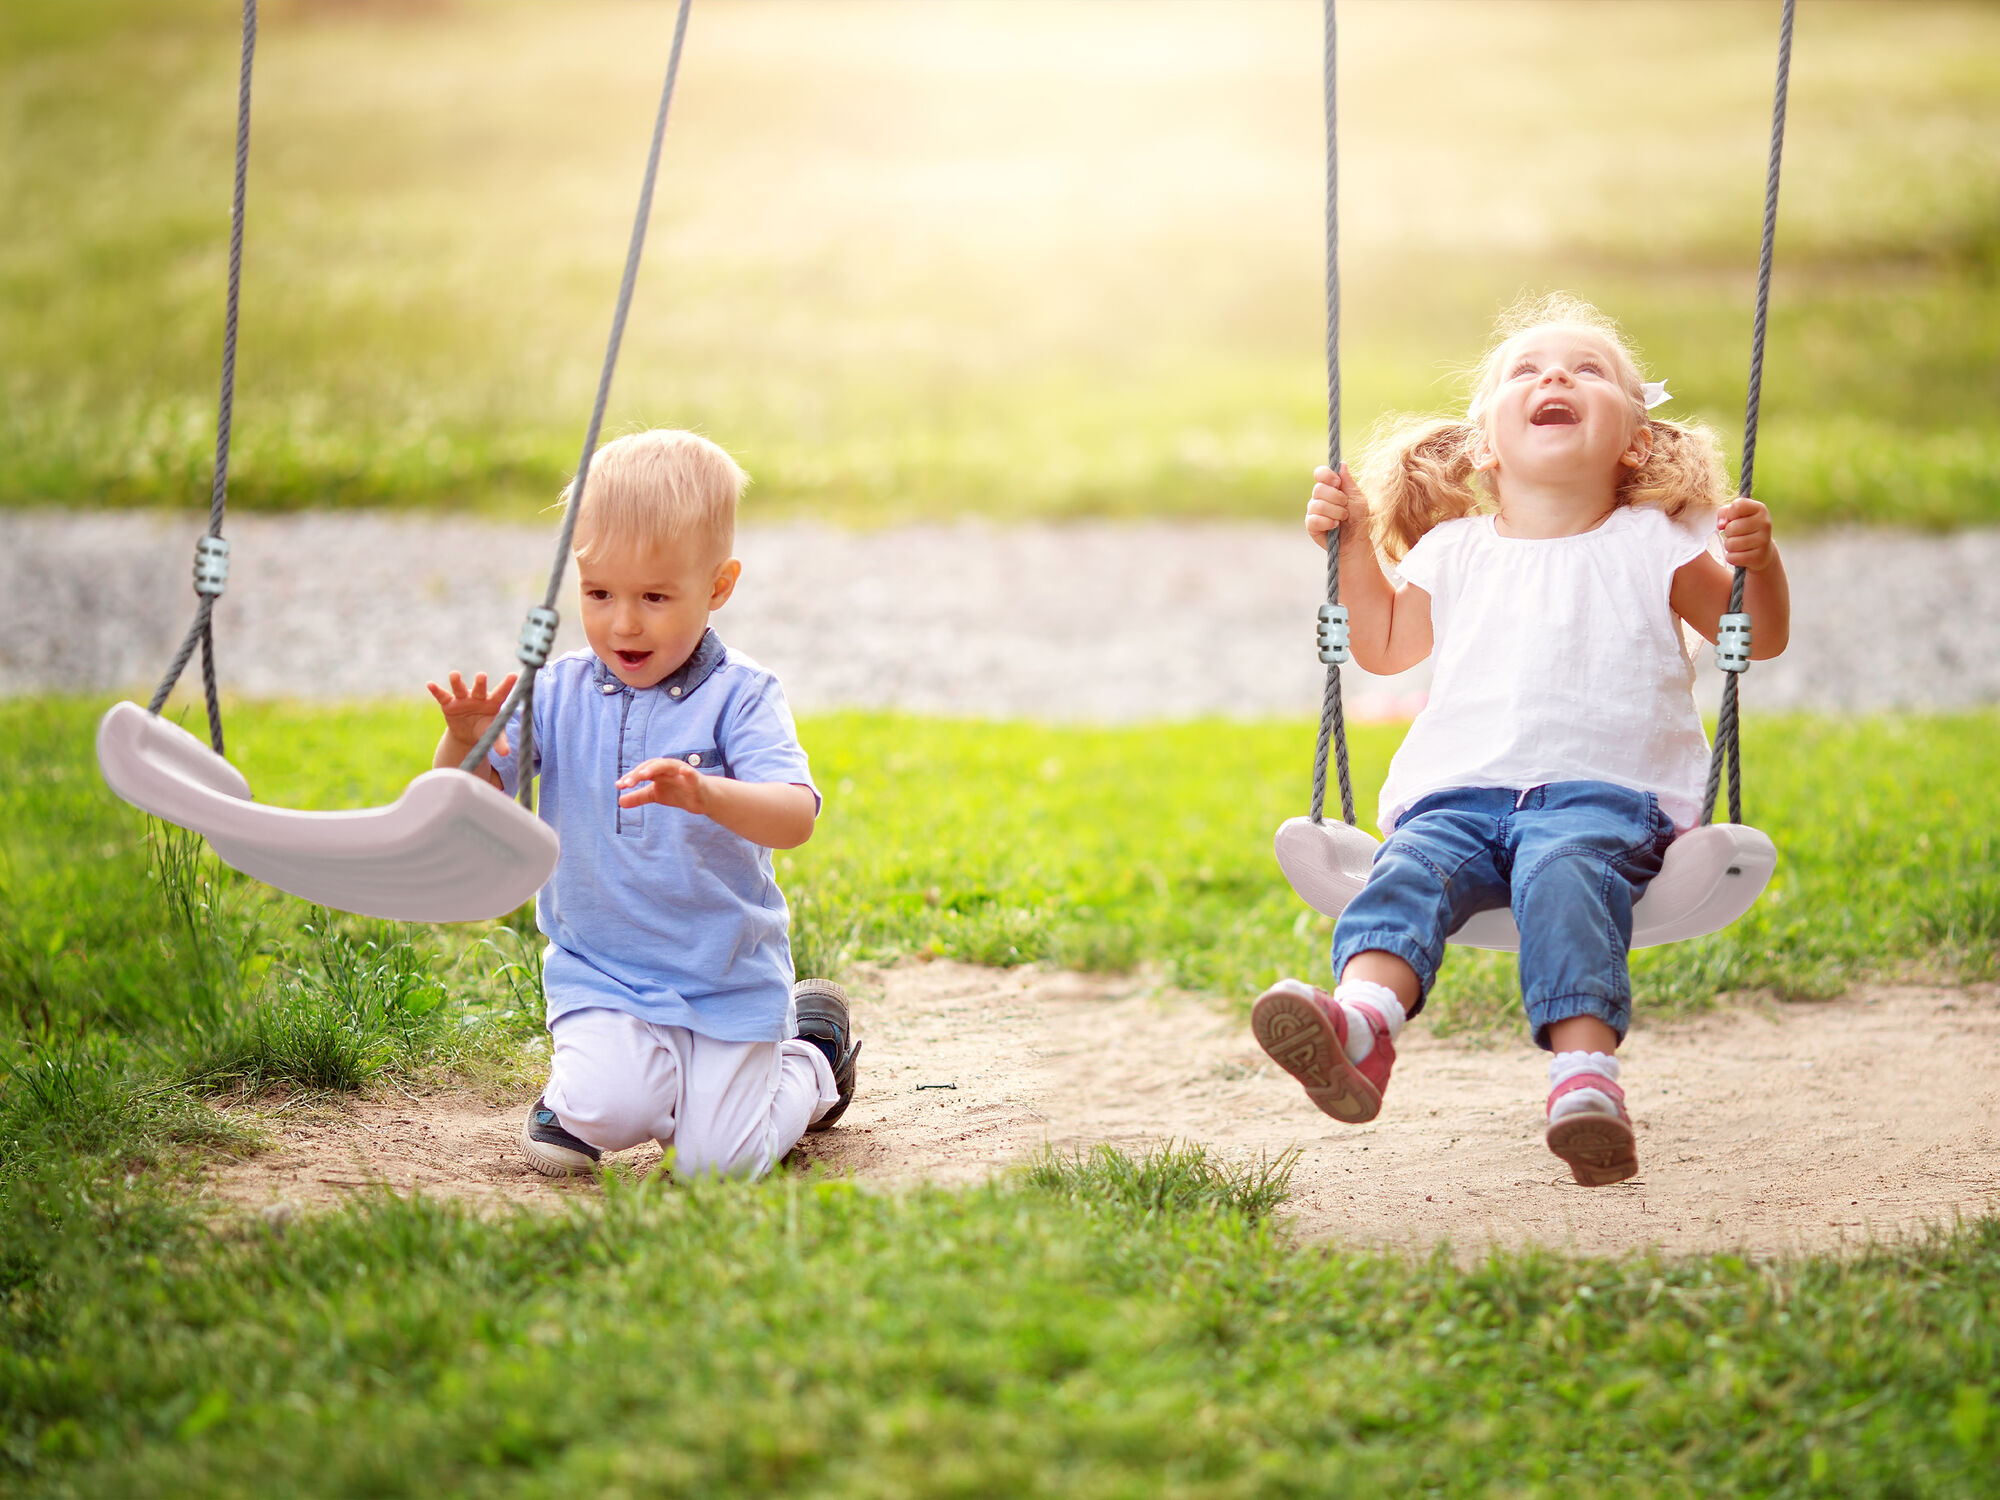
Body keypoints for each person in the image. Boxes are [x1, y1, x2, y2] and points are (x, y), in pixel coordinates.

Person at [1253, 294, 1791, 1186]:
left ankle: (1585, 1081)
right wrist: (1350, 544)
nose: (1555, 377)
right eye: (1527, 370)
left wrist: (1758, 566)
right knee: (1405, 873)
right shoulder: (1453, 551)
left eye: (1588, 371)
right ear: (1485, 446)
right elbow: (1382, 646)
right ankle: (1359, 1024)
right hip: (1454, 796)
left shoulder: (1653, 544)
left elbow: (1754, 636)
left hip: (1606, 798)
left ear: (1635, 441)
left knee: (1565, 876)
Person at [427, 429, 859, 1180]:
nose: (624, 623)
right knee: (600, 1115)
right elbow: (471, 800)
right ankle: (598, 1099)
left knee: (717, 1169)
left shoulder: (742, 696)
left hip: (724, 977)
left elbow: (795, 817)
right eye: (599, 595)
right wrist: (464, 741)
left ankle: (810, 1062)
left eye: (655, 597)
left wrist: (703, 792)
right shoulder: (556, 691)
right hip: (605, 974)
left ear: (718, 586)